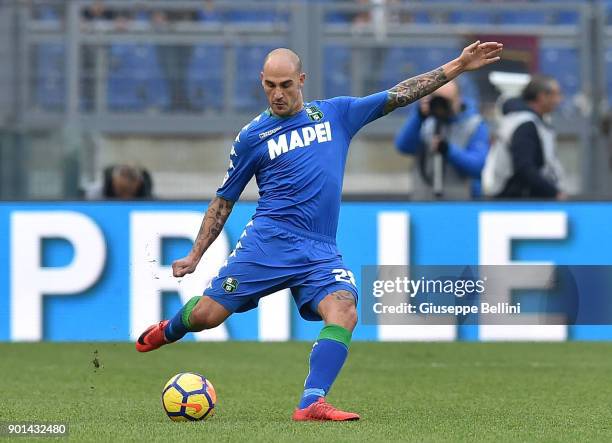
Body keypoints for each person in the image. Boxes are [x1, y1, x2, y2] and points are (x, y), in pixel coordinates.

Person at [136, 42, 503, 420]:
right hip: (269, 243)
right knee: (207, 317)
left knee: (344, 309)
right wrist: (196, 254)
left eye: (286, 85)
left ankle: (311, 402)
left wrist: (457, 66)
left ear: (302, 80)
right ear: (261, 82)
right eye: (270, 86)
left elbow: (400, 93)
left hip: (320, 249)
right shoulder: (253, 137)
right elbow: (224, 199)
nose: (278, 94)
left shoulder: (337, 114)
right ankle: (170, 328)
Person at [394, 81, 490, 199]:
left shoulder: (474, 124)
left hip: (461, 205)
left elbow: (477, 167)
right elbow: (404, 147)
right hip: (423, 202)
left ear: (459, 99)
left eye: (447, 100)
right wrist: (418, 117)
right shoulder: (424, 121)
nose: (442, 105)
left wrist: (448, 150)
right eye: (438, 99)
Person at [482, 74, 566, 199]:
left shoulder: (526, 120)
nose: (559, 100)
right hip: (514, 202)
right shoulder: (525, 124)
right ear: (542, 97)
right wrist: (554, 193)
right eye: (555, 94)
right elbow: (524, 168)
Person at [83, 164, 153, 199]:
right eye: (123, 175)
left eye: (132, 177)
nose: (127, 182)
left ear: (139, 183)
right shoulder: (96, 198)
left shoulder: (150, 205)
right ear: (113, 180)